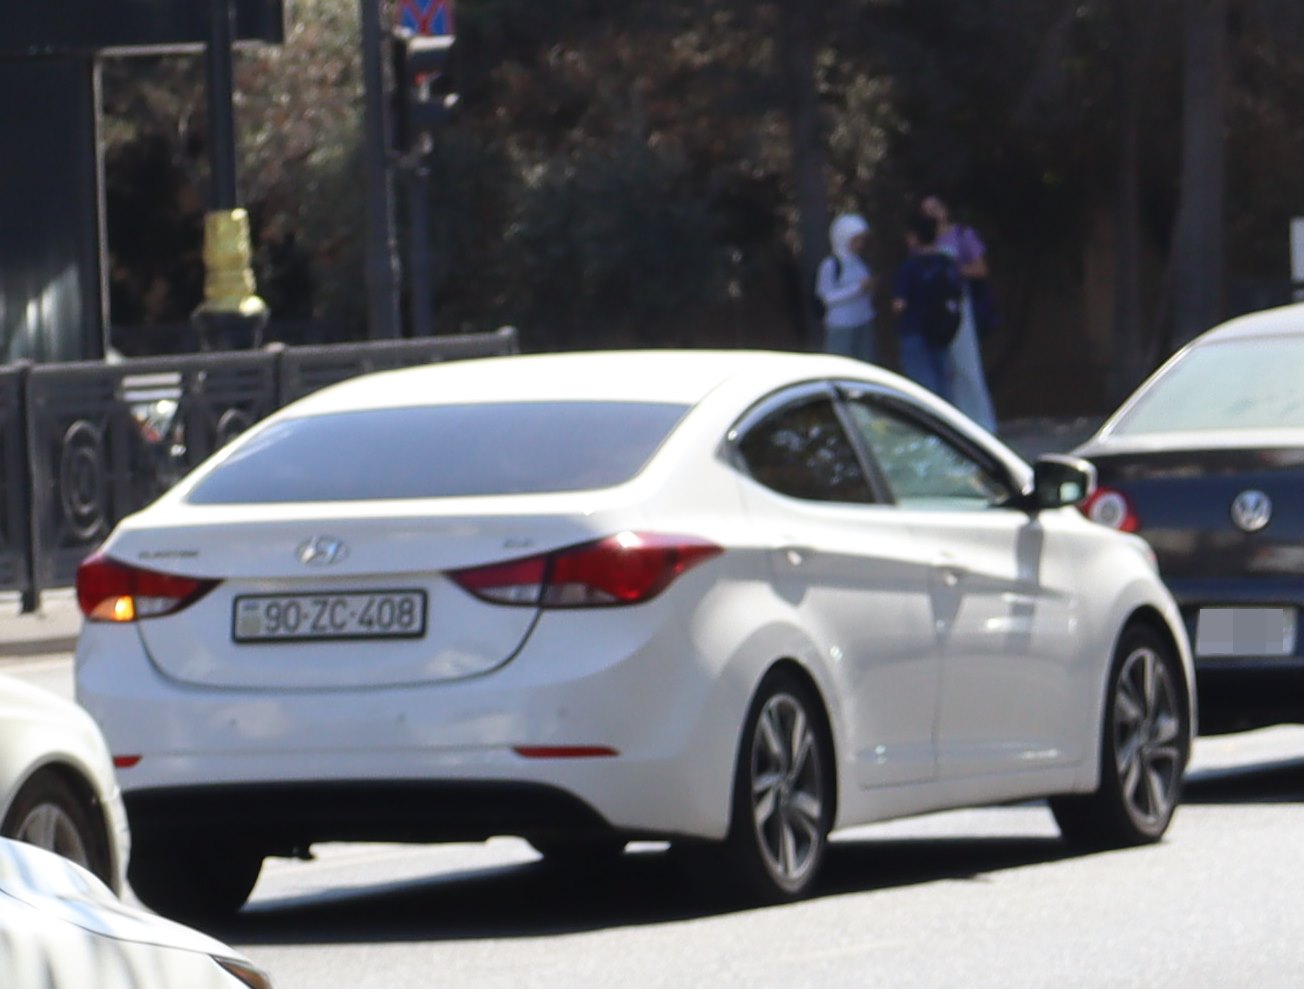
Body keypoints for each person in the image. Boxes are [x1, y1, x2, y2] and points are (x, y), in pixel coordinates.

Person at [920, 195, 998, 432]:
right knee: (944, 369)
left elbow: (981, 269)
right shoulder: (923, 241)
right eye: (926, 211)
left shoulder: (962, 234)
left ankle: (984, 423)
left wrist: (951, 269)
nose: (931, 214)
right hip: (933, 310)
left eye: (935, 208)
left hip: (957, 306)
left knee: (967, 364)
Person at [892, 212, 963, 403]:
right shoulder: (947, 263)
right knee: (944, 385)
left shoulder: (909, 268)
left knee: (923, 389)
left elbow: (900, 304)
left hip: (914, 330)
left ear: (914, 237)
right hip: (942, 331)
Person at [815, 213, 876, 362]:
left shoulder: (859, 261)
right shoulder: (830, 265)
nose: (860, 244)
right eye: (856, 239)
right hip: (842, 325)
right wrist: (858, 289)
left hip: (863, 320)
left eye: (862, 239)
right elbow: (827, 298)